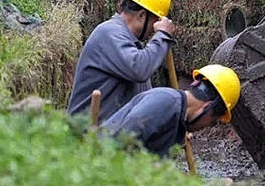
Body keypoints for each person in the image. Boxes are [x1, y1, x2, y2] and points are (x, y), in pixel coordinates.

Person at [67, 0, 176, 122]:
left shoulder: (129, 43)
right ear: (142, 15)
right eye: (155, 21)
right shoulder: (109, 33)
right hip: (87, 137)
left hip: (110, 137)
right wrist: (162, 36)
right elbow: (139, 69)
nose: (154, 29)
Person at [101, 64, 241, 157]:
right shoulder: (164, 104)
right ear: (207, 107)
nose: (205, 127)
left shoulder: (176, 119)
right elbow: (119, 144)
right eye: (212, 121)